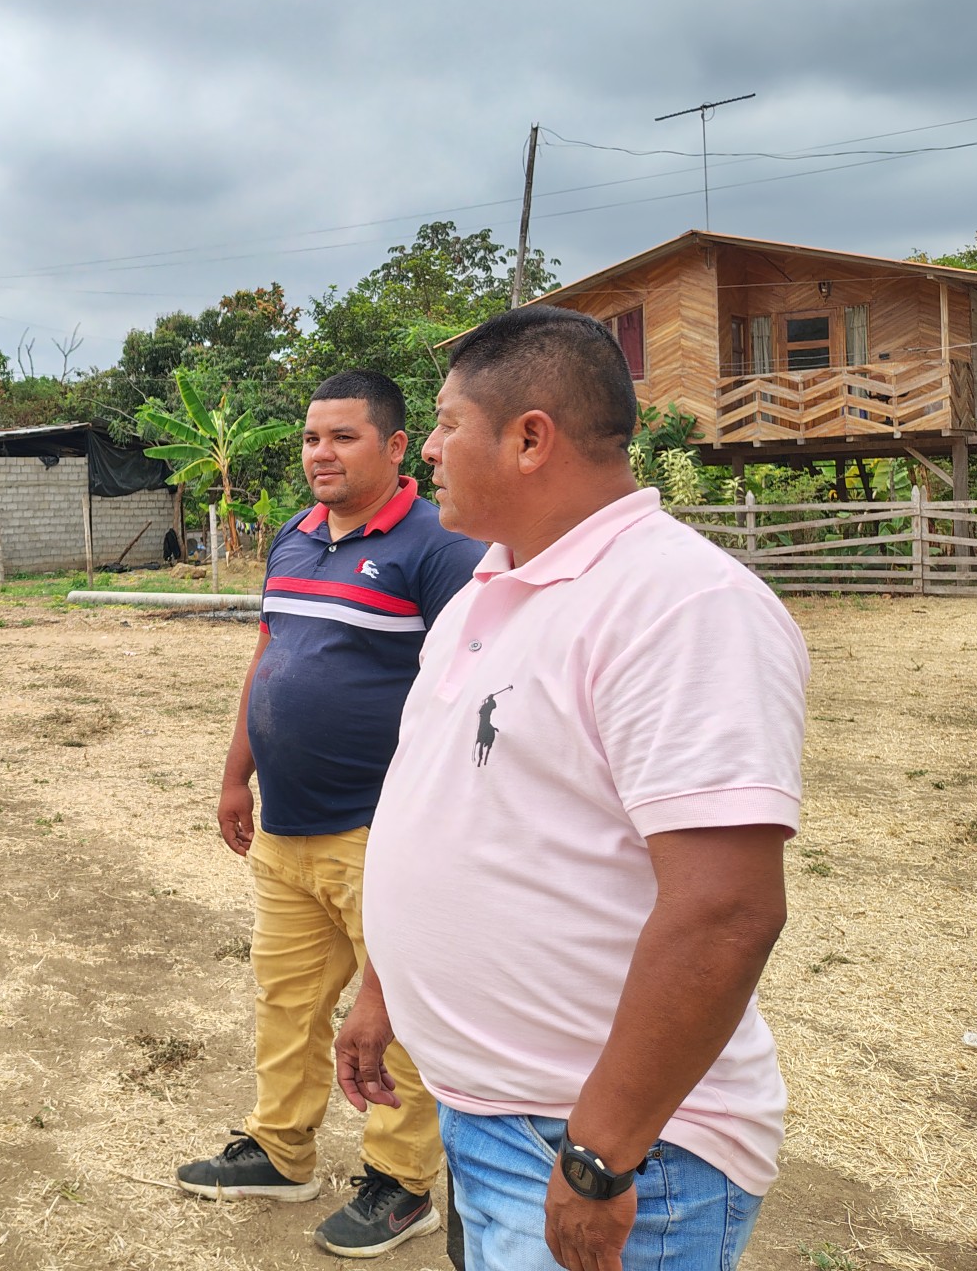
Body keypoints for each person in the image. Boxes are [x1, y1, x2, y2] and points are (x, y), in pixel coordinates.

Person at [339, 306, 808, 1271]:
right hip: (490, 1115)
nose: (427, 449)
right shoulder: (486, 592)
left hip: (606, 1147)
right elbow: (449, 807)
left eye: (446, 424)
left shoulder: (682, 605)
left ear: (529, 439)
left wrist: (600, 1154)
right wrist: (386, 989)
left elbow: (726, 911)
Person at [175, 370, 485, 1259]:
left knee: (401, 1018)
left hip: (382, 831)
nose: (321, 454)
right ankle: (282, 1150)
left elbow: (468, 691)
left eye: (344, 437)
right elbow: (268, 656)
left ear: (396, 446)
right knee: (287, 1000)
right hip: (286, 826)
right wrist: (236, 774)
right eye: (313, 438)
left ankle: (401, 1183)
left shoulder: (441, 547)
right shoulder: (294, 536)